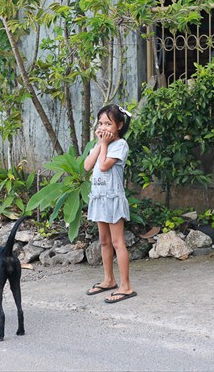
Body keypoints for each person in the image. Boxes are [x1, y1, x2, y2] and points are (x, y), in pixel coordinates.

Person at [83, 104, 137, 304]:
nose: (104, 127)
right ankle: (108, 279)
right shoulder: (99, 145)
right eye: (100, 123)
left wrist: (104, 145)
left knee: (117, 242)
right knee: (104, 241)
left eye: (108, 123)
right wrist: (99, 144)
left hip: (113, 198)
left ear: (120, 125)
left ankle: (126, 286)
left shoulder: (120, 145)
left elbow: (104, 167)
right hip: (99, 197)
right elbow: (88, 166)